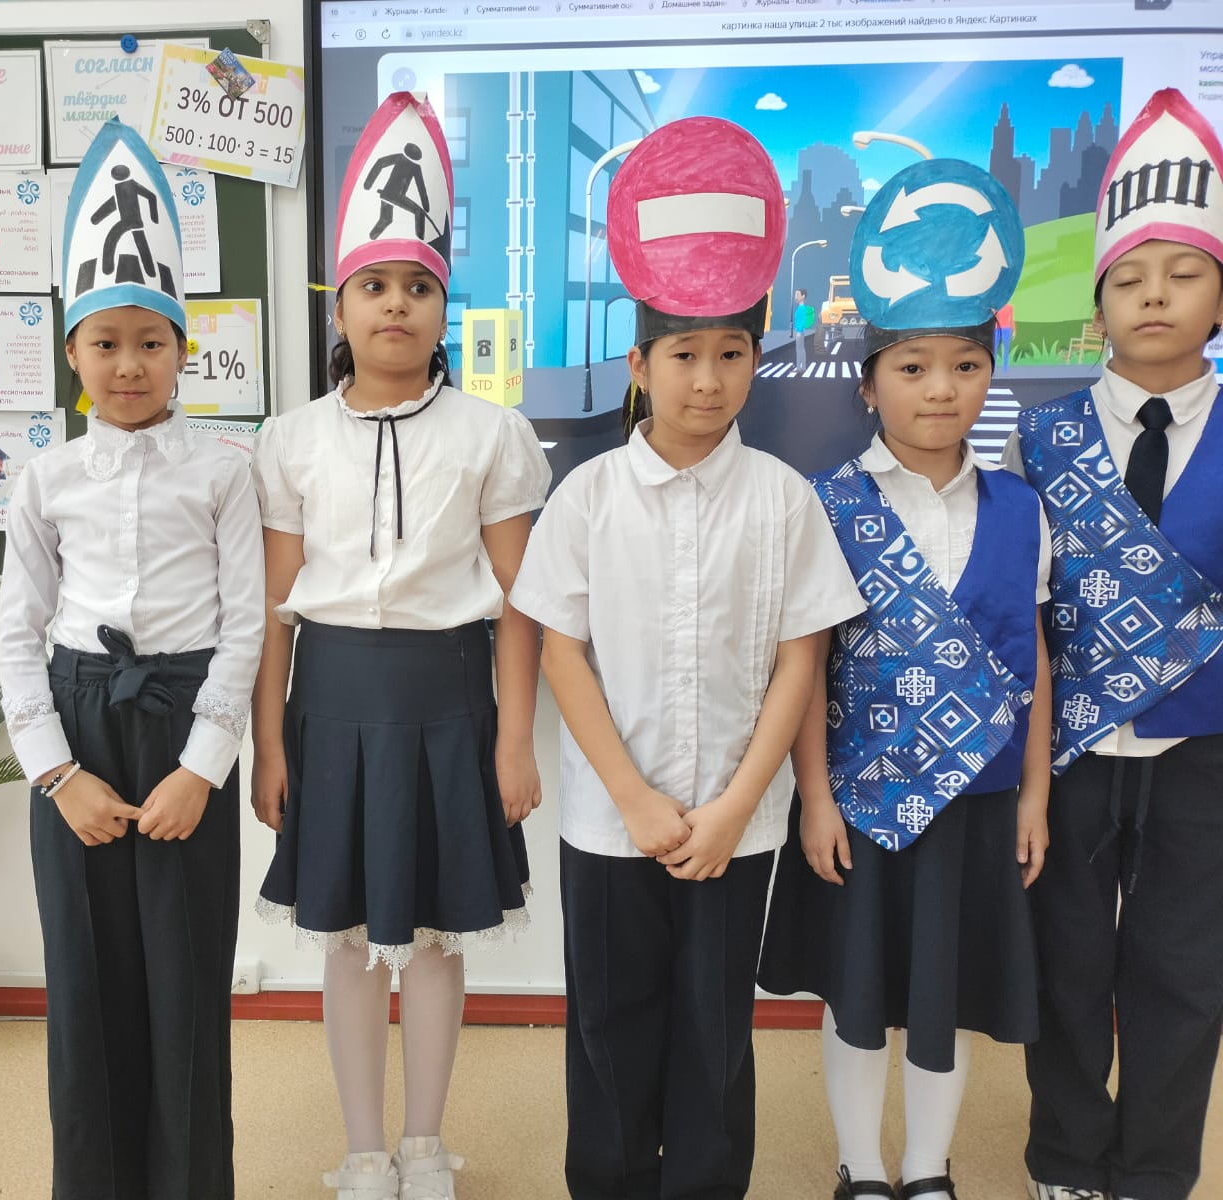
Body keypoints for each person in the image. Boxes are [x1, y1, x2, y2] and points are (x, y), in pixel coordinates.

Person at [510, 116, 864, 1200]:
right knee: (609, 1028)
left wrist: (737, 806)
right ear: (640, 363)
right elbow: (561, 654)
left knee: (715, 1034)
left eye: (731, 354)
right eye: (683, 355)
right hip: (607, 825)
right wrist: (632, 797)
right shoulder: (585, 498)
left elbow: (800, 661)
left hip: (735, 825)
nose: (707, 380)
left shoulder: (784, 501)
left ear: (758, 357)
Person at [249, 91, 549, 1200]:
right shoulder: (289, 440)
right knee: (344, 937)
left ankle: (425, 1144)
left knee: (432, 936)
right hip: (330, 704)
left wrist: (514, 740)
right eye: (374, 286)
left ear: (441, 305)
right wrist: (268, 744)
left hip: (450, 702)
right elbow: (273, 610)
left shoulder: (493, 433)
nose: (396, 306)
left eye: (418, 288)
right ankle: (363, 1149)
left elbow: (519, 603)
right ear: (341, 304)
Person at [759, 157, 1052, 1200]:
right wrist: (814, 799)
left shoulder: (1021, 509)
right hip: (861, 798)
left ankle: (928, 1169)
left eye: (965, 366)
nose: (940, 389)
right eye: (913, 366)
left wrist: (1034, 794)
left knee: (946, 993)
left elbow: (1033, 655)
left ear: (990, 373)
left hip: (978, 801)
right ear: (867, 381)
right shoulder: (824, 503)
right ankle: (861, 1165)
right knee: (856, 995)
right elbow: (805, 663)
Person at [0, 118, 264, 1200]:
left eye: (150, 342)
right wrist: (57, 775)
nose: (127, 364)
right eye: (104, 342)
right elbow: (17, 632)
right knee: (87, 981)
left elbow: (247, 625)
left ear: (183, 350)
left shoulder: (225, 472)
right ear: (72, 353)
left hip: (185, 722)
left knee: (185, 982)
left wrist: (203, 768)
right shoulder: (45, 480)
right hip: (78, 726)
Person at [1005, 88, 1223, 1200]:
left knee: (1185, 971)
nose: (1154, 297)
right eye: (1129, 280)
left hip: (1205, 752)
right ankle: (1065, 1158)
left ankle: (1156, 1171)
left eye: (1182, 274)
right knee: (1067, 964)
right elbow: (1016, 609)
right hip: (1072, 752)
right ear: (1095, 307)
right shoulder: (1037, 439)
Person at [795, 287, 816, 371]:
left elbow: (802, 321)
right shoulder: (800, 308)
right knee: (800, 349)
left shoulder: (802, 308)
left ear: (803, 296)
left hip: (799, 332)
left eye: (797, 295)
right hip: (799, 331)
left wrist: (799, 331)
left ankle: (800, 367)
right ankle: (801, 367)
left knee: (799, 349)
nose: (796, 297)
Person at [993, 301, 1015, 372]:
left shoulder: (1010, 307)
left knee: (1006, 349)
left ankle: (1005, 369)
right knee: (995, 349)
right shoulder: (996, 308)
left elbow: (1011, 319)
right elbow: (993, 318)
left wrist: (1014, 331)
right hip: (997, 329)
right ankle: (994, 368)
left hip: (1006, 329)